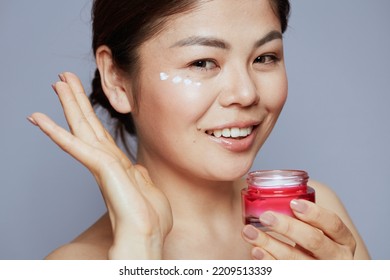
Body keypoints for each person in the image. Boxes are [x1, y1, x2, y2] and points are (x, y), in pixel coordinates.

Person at [28, 0, 370, 260]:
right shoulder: (76, 264)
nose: (246, 93)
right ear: (117, 79)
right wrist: (138, 254)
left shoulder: (316, 217)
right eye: (202, 62)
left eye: (265, 57)